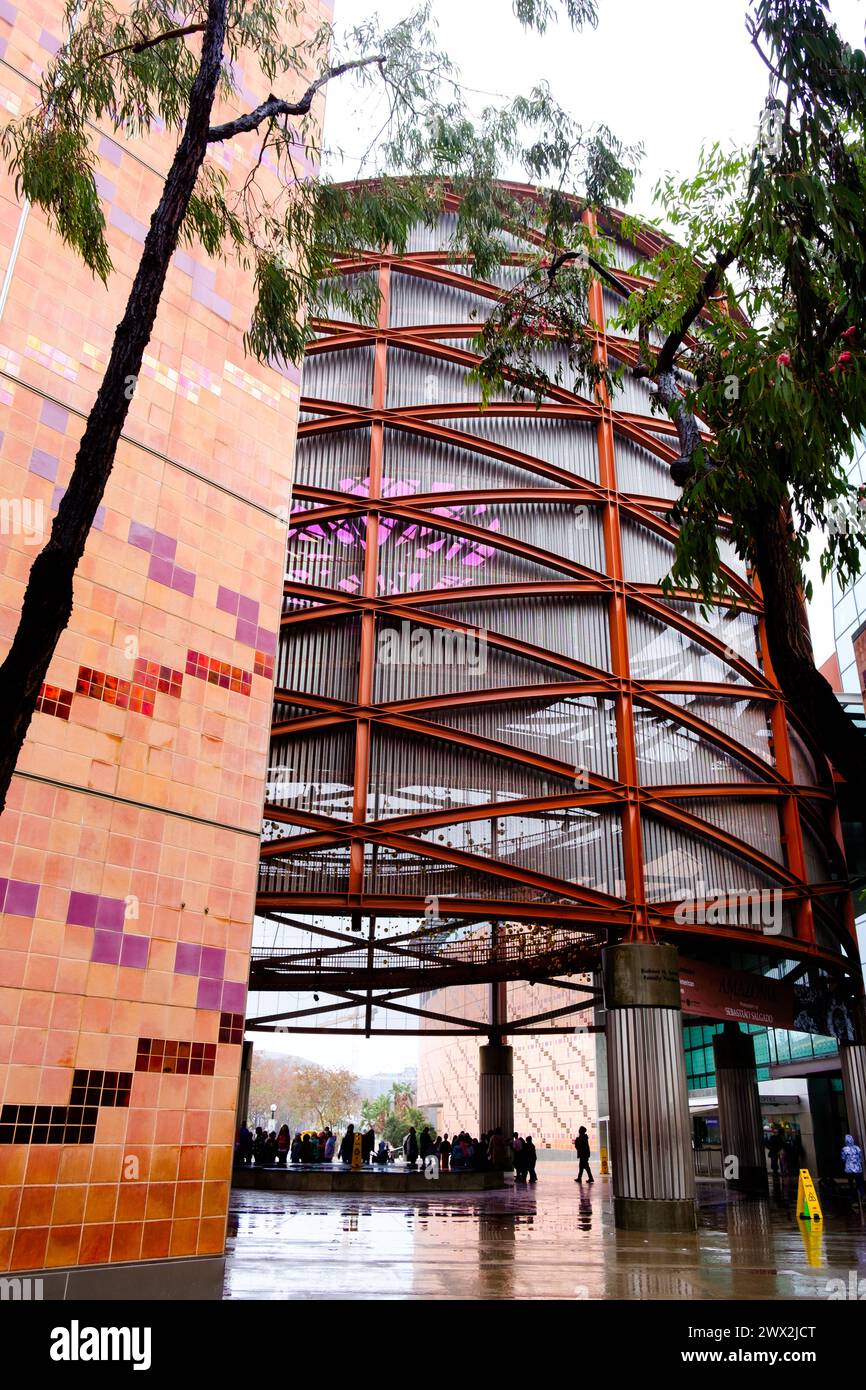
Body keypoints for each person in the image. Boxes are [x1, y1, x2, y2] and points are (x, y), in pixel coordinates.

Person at [841, 1134, 865, 1199]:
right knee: (860, 1183)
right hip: (858, 1169)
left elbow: (843, 1158)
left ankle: (852, 1196)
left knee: (851, 1184)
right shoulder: (857, 1148)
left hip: (849, 1170)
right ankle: (862, 1195)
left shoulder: (844, 1149)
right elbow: (860, 1157)